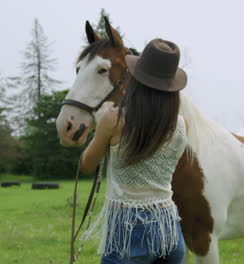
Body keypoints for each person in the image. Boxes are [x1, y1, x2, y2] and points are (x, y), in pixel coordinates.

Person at [80, 38, 188, 264]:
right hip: (169, 225)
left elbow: (87, 165)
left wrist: (99, 129)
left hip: (129, 228)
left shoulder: (113, 119)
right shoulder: (180, 124)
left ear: (135, 79)